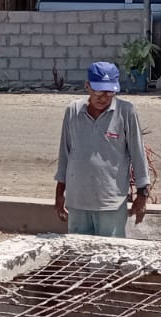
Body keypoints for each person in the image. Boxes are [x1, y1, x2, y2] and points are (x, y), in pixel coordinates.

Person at [54, 61, 152, 237]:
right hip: (78, 201)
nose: (103, 98)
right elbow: (65, 155)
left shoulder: (125, 112)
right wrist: (59, 195)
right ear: (87, 86)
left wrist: (142, 194)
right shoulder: (73, 111)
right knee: (78, 250)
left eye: (109, 92)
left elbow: (138, 154)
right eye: (98, 91)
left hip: (110, 203)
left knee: (110, 251)